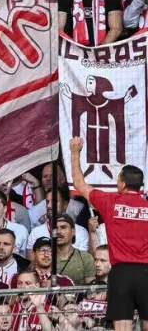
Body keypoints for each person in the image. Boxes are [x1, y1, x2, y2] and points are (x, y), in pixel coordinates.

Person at [70, 138, 148, 331]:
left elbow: (79, 183)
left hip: (121, 274)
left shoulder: (110, 202)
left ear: (122, 183)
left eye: (118, 179)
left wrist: (75, 152)